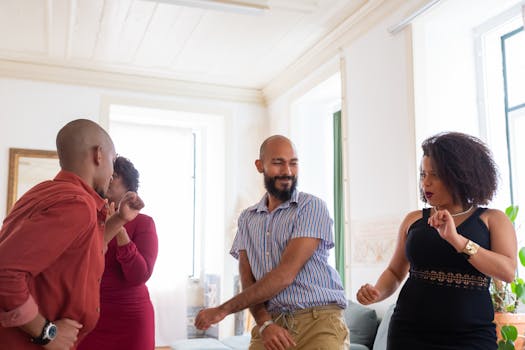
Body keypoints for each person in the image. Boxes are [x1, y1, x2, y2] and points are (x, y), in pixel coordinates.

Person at [356, 131, 517, 350]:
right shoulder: (413, 220)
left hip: (471, 337)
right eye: (423, 174)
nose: (426, 182)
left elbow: (507, 271)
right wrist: (377, 292)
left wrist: (456, 240)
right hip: (409, 334)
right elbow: (394, 272)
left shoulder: (493, 219)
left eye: (436, 175)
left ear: (460, 174)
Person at [0, 119, 144, 350]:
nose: (111, 172)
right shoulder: (76, 204)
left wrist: (119, 220)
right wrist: (47, 332)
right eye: (112, 160)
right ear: (98, 155)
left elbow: (83, 250)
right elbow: (5, 273)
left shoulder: (46, 191)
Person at [195, 135, 349, 350]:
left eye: (293, 163)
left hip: (318, 322)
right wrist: (265, 323)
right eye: (278, 163)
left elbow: (284, 275)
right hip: (271, 322)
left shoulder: (312, 207)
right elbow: (249, 279)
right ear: (260, 165)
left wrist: (222, 309)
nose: (287, 171)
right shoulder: (247, 219)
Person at [78, 156, 158, 350]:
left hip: (130, 317)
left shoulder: (144, 223)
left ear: (128, 184)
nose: (108, 179)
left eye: (114, 175)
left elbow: (139, 275)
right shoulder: (86, 217)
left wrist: (119, 227)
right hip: (90, 315)